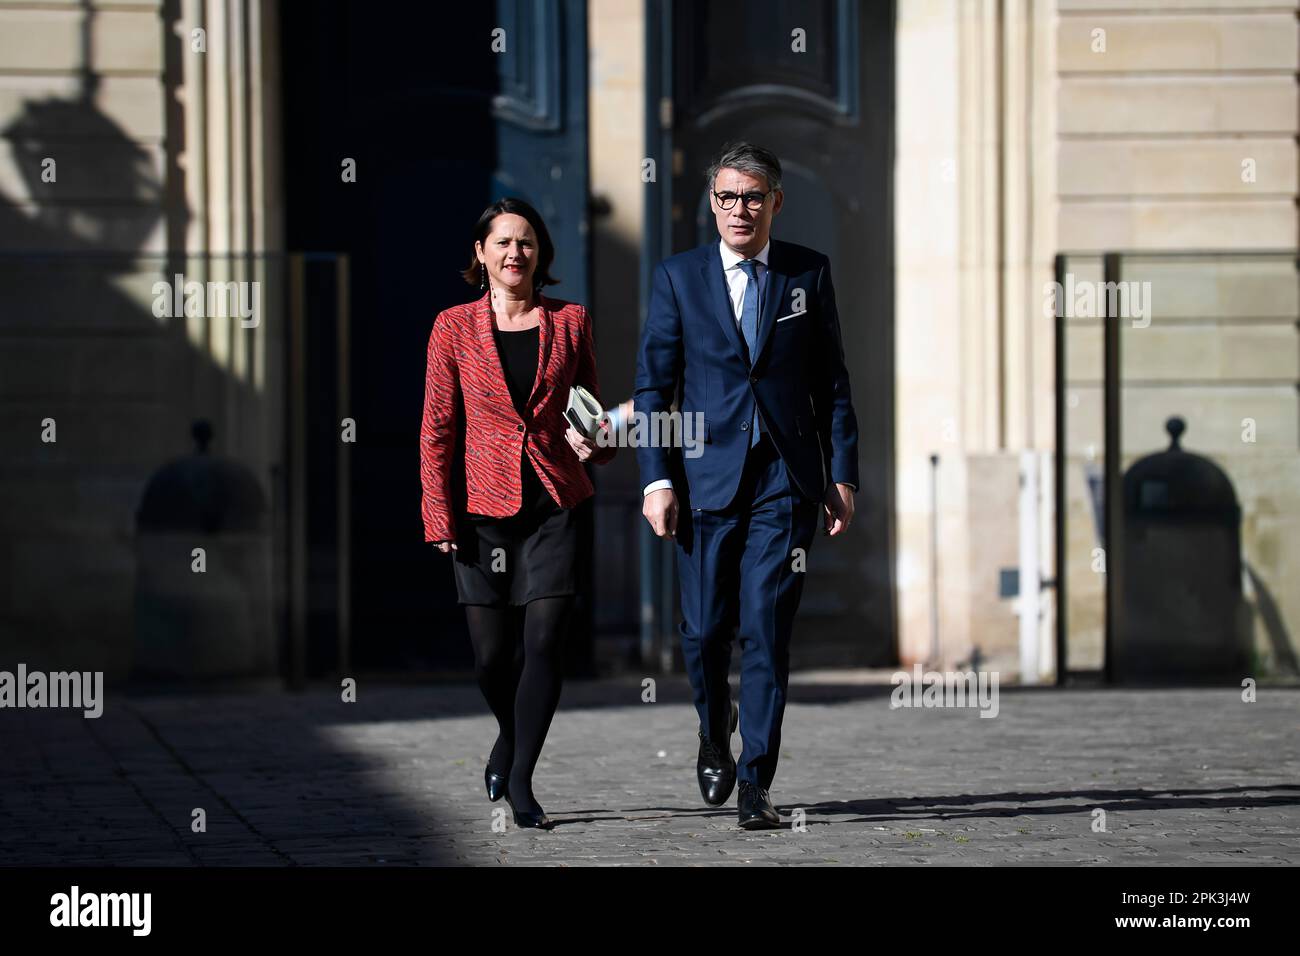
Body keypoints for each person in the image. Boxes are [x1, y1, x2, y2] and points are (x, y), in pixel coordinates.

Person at [634, 142, 859, 829]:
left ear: (775, 203)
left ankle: (757, 783)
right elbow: (653, 390)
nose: (740, 209)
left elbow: (833, 385)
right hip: (703, 481)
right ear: (712, 203)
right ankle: (714, 729)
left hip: (783, 483)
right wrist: (656, 481)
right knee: (705, 632)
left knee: (765, 629)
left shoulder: (806, 274)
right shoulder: (679, 278)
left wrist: (841, 473)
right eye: (728, 197)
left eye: (753, 197)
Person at [421, 197, 615, 830]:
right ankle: (509, 734)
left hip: (555, 501)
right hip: (481, 507)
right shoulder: (452, 327)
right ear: (480, 254)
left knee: (545, 641)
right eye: (502, 242)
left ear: (541, 254)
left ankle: (524, 780)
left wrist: (599, 440)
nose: (515, 253)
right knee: (490, 658)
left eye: (526, 242)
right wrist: (438, 515)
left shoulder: (571, 321)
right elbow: (437, 430)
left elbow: (589, 408)